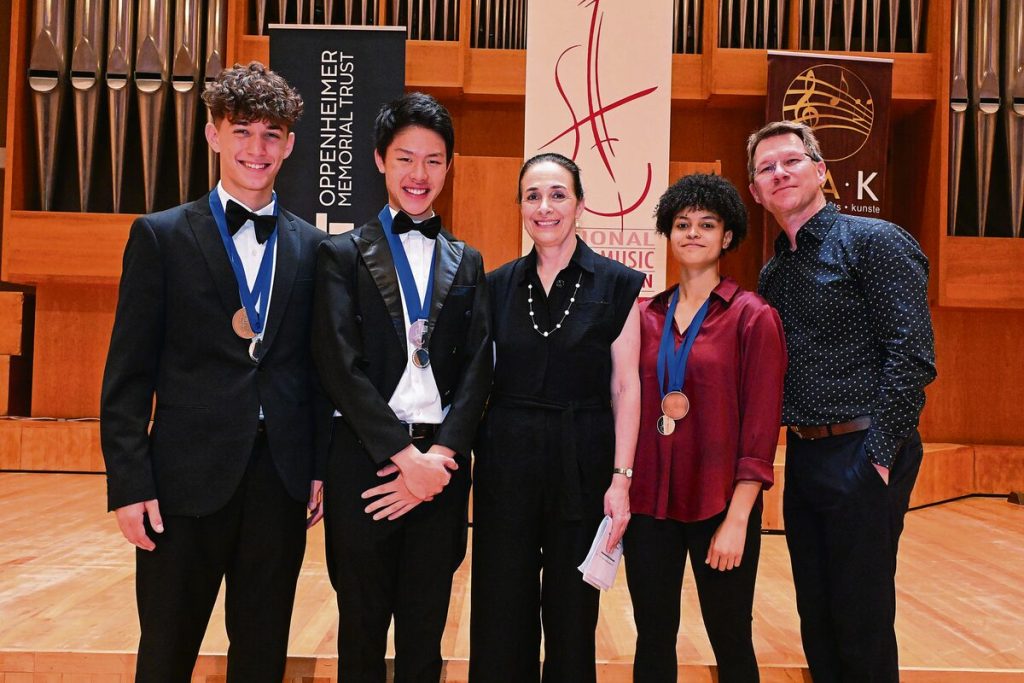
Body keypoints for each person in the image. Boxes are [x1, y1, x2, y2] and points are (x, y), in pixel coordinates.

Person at [100, 62, 328, 682]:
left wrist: (314, 467)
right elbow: (126, 377)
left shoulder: (315, 247)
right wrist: (128, 484)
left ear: (290, 144)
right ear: (213, 134)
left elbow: (315, 374)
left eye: (272, 134)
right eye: (243, 131)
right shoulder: (160, 236)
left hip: (279, 484)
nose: (257, 148)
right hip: (180, 485)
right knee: (166, 653)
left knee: (261, 657)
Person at [311, 92, 492, 683]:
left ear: (449, 166)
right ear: (379, 160)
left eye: (434, 160)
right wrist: (400, 457)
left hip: (441, 468)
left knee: (425, 629)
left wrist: (438, 457)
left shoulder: (467, 261)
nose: (420, 175)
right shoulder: (339, 254)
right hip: (365, 464)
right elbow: (338, 364)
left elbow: (478, 369)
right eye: (406, 158)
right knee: (360, 628)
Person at [749, 120, 936, 682]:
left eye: (791, 160)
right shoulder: (774, 272)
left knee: (861, 615)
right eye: (765, 168)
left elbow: (913, 354)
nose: (779, 172)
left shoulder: (875, 241)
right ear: (756, 191)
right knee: (817, 614)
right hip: (805, 454)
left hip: (865, 448)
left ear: (822, 170)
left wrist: (877, 456)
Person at [469, 152, 643, 683]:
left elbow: (626, 385)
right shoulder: (495, 285)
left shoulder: (617, 284)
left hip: (583, 460)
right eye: (533, 196)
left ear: (580, 204)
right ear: (521, 205)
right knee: (501, 608)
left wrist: (621, 480)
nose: (545, 207)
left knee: (572, 615)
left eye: (557, 195)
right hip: (506, 460)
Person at [625, 173, 787, 682]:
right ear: (668, 235)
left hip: (720, 505)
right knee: (652, 635)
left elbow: (760, 430)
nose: (692, 233)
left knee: (730, 635)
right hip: (651, 503)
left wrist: (739, 518)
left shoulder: (753, 317)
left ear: (727, 237)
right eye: (681, 224)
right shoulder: (645, 315)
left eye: (706, 224)